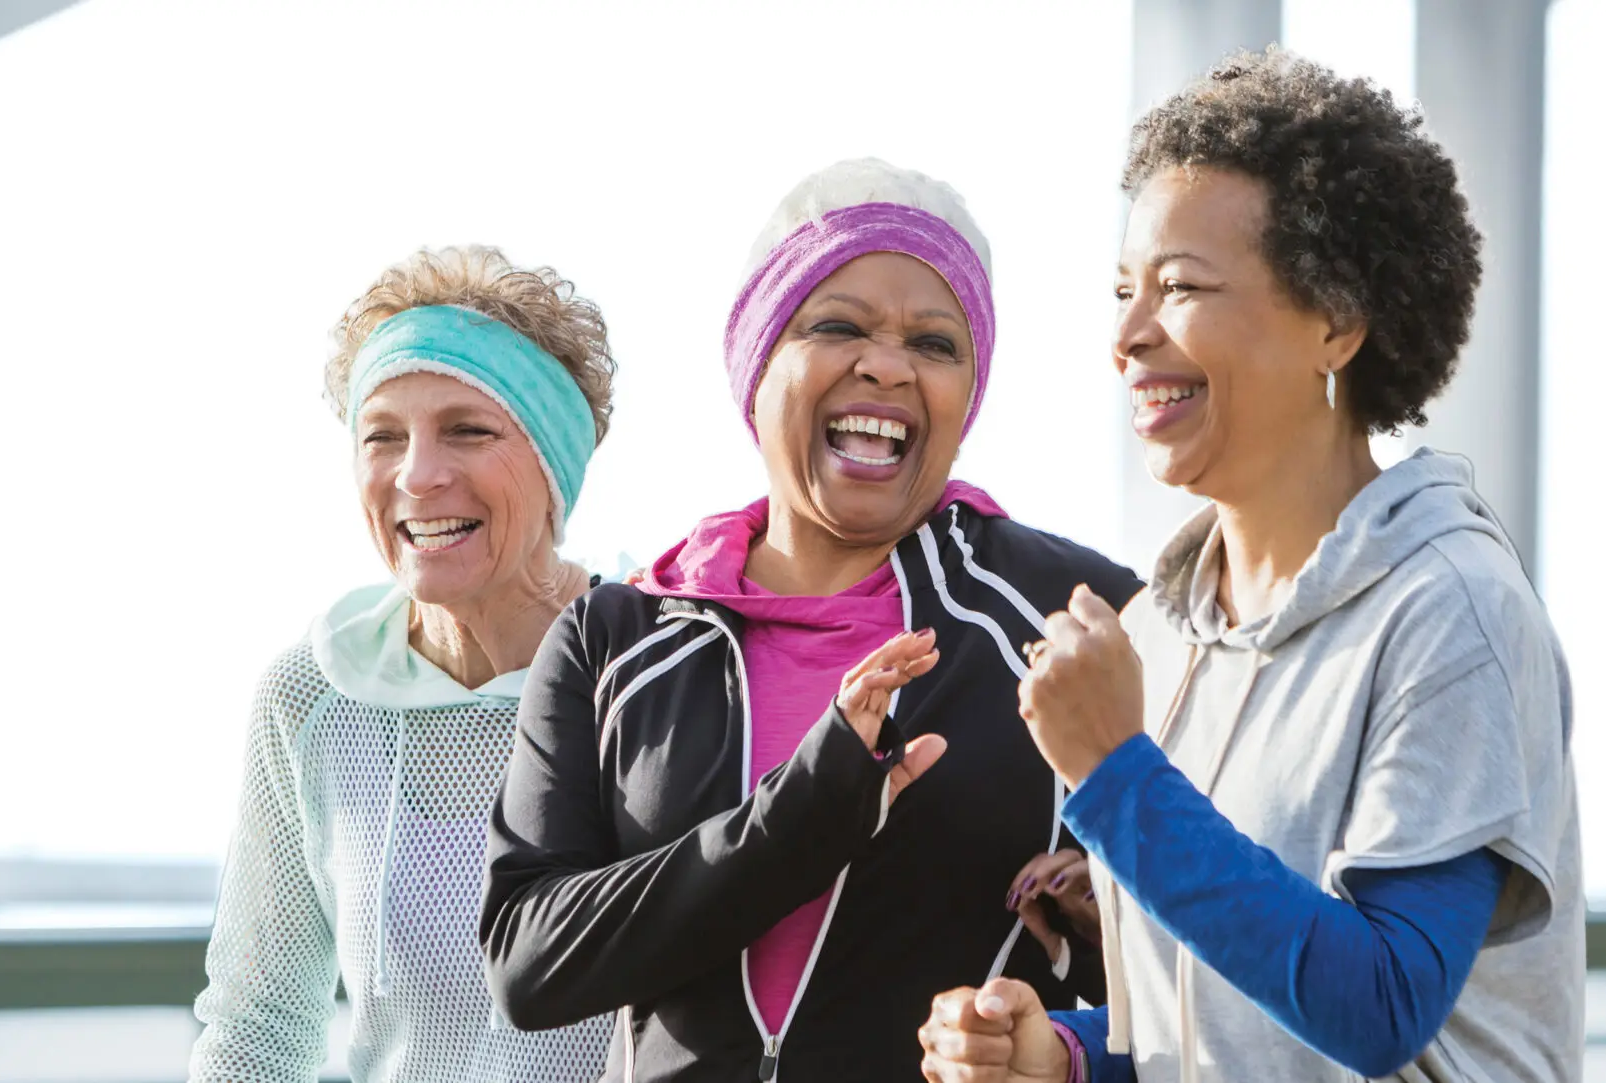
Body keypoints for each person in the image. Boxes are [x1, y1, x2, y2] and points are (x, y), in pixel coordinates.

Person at [920, 50, 1583, 1083]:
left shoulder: (1452, 614)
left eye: (1180, 287)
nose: (1128, 335)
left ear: (1336, 322)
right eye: (1122, 290)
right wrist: (1064, 1055)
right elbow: (1229, 1031)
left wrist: (1113, 773)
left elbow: (1379, 1005)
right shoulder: (1155, 633)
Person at [482, 159, 1143, 1081]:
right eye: (836, 325)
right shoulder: (615, 636)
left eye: (937, 343)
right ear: (757, 362)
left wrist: (1106, 926)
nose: (886, 363)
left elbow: (1215, 982)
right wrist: (809, 810)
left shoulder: (1079, 614)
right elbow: (530, 962)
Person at [189, 246, 617, 1082]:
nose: (418, 475)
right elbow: (256, 1025)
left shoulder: (664, 674)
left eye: (468, 429)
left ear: (554, 461)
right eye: (382, 436)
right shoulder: (311, 696)